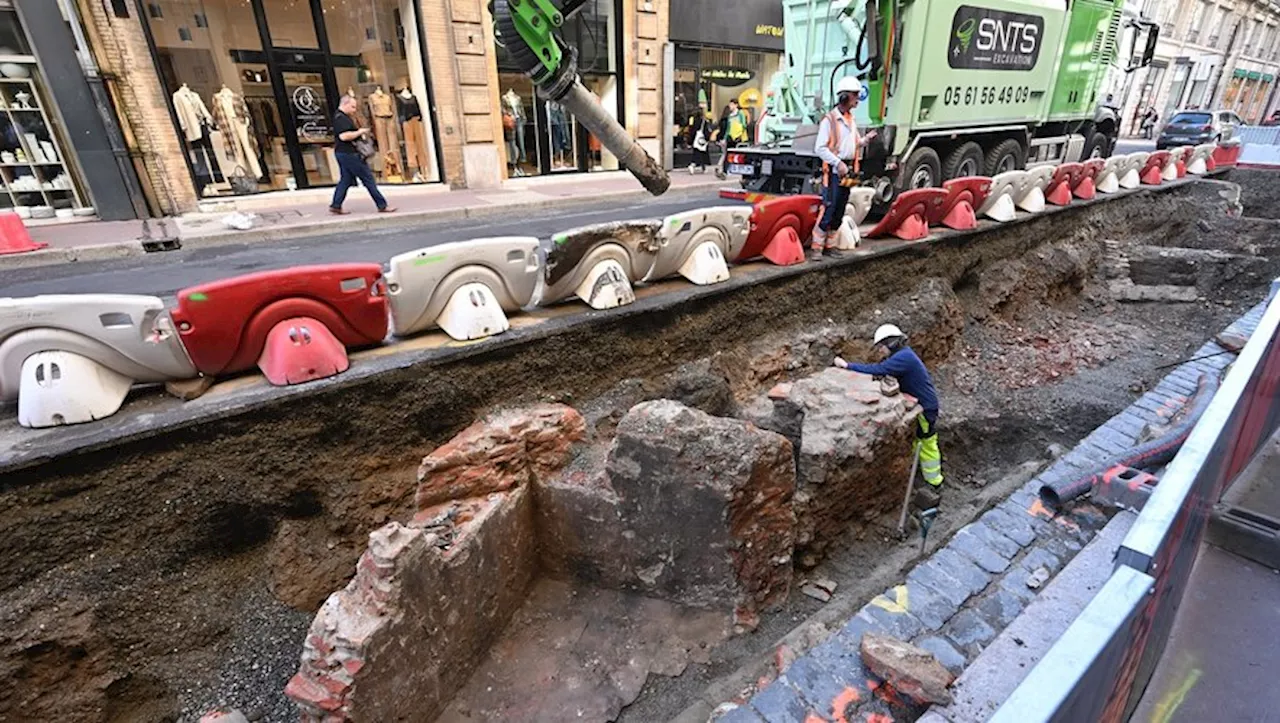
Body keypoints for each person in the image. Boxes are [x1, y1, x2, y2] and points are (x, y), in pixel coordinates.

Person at [834, 324, 943, 499]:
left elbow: (878, 370)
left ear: (891, 343)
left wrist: (847, 365)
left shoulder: (904, 358)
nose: (880, 351)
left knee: (927, 443)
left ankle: (934, 483)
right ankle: (918, 475)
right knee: (919, 441)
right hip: (925, 404)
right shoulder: (903, 355)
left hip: (925, 408)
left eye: (881, 346)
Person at [810, 76, 876, 260]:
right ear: (844, 97)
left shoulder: (850, 120)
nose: (857, 100)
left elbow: (852, 143)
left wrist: (864, 141)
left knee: (839, 210)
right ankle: (817, 248)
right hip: (833, 172)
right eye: (854, 96)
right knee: (829, 208)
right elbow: (820, 148)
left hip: (847, 171)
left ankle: (830, 246)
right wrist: (837, 163)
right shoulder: (829, 120)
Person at [330, 94, 396, 215]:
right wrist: (359, 132)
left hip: (343, 153)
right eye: (353, 107)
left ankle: (336, 205)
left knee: (346, 179)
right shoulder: (341, 118)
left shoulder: (341, 116)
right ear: (345, 104)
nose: (354, 110)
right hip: (349, 154)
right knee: (368, 179)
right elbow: (344, 136)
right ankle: (382, 205)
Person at [713, 99, 750, 179]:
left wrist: (739, 135)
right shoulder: (730, 116)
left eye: (732, 104)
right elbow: (728, 129)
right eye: (730, 105)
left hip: (739, 137)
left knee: (741, 155)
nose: (730, 106)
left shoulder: (740, 114)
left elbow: (743, 125)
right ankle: (724, 172)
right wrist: (725, 138)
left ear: (736, 105)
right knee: (727, 154)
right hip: (730, 137)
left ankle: (745, 175)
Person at [687, 104, 712, 174]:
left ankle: (695, 166)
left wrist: (690, 142)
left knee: (696, 154)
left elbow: (691, 131)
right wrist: (707, 139)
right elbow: (706, 132)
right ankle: (699, 167)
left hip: (696, 140)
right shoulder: (704, 121)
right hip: (702, 140)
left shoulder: (692, 120)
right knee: (703, 155)